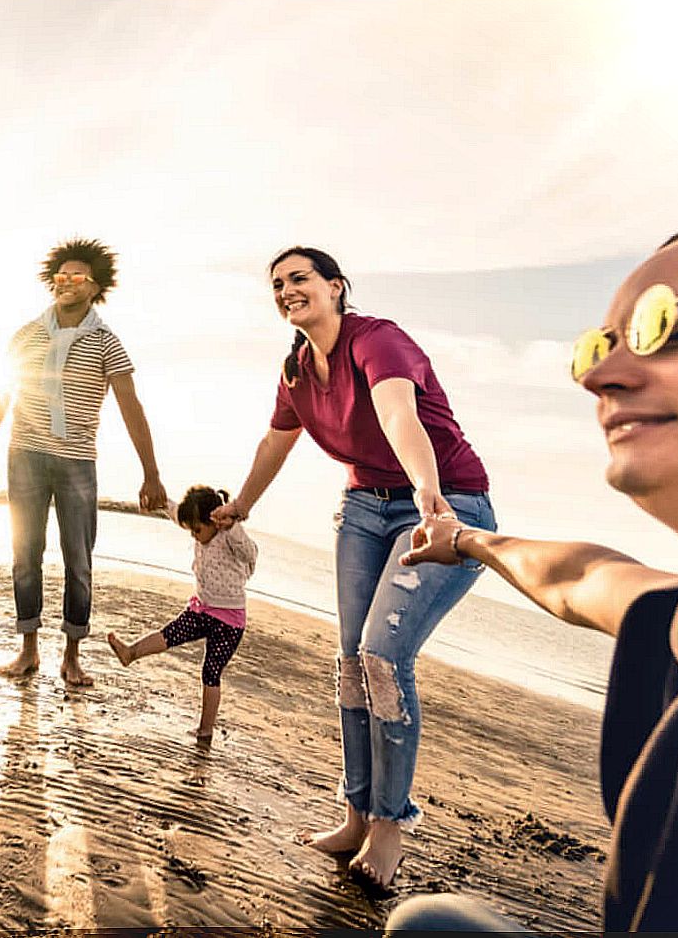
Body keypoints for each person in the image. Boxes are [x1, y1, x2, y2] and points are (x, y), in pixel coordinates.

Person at [386, 224, 678, 934]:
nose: (598, 376)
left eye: (662, 324)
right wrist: (463, 539)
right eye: (599, 345)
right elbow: (582, 574)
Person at [212, 246, 497, 889]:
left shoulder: (378, 340)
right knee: (349, 662)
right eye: (278, 284)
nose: (288, 289)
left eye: (301, 278)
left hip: (446, 508)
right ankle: (356, 811)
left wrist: (428, 491)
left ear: (336, 287)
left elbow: (397, 413)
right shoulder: (294, 372)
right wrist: (242, 506)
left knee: (381, 656)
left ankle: (391, 826)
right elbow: (274, 442)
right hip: (363, 511)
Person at [0, 238, 167, 687]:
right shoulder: (28, 334)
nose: (67, 282)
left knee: (78, 560)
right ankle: (29, 650)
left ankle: (72, 656)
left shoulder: (106, 342)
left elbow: (131, 406)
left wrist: (151, 472)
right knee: (25, 554)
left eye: (78, 276)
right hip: (26, 455)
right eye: (61, 275)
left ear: (95, 286)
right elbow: (1, 394)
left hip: (77, 462)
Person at [106, 485, 258, 740]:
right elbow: (177, 513)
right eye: (191, 531)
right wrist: (161, 501)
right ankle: (130, 652)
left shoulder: (229, 535)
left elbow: (250, 552)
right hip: (202, 609)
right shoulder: (200, 528)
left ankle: (206, 729)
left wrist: (232, 525)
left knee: (211, 671)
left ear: (214, 520)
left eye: (197, 530)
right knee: (169, 634)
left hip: (229, 622)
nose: (194, 537)